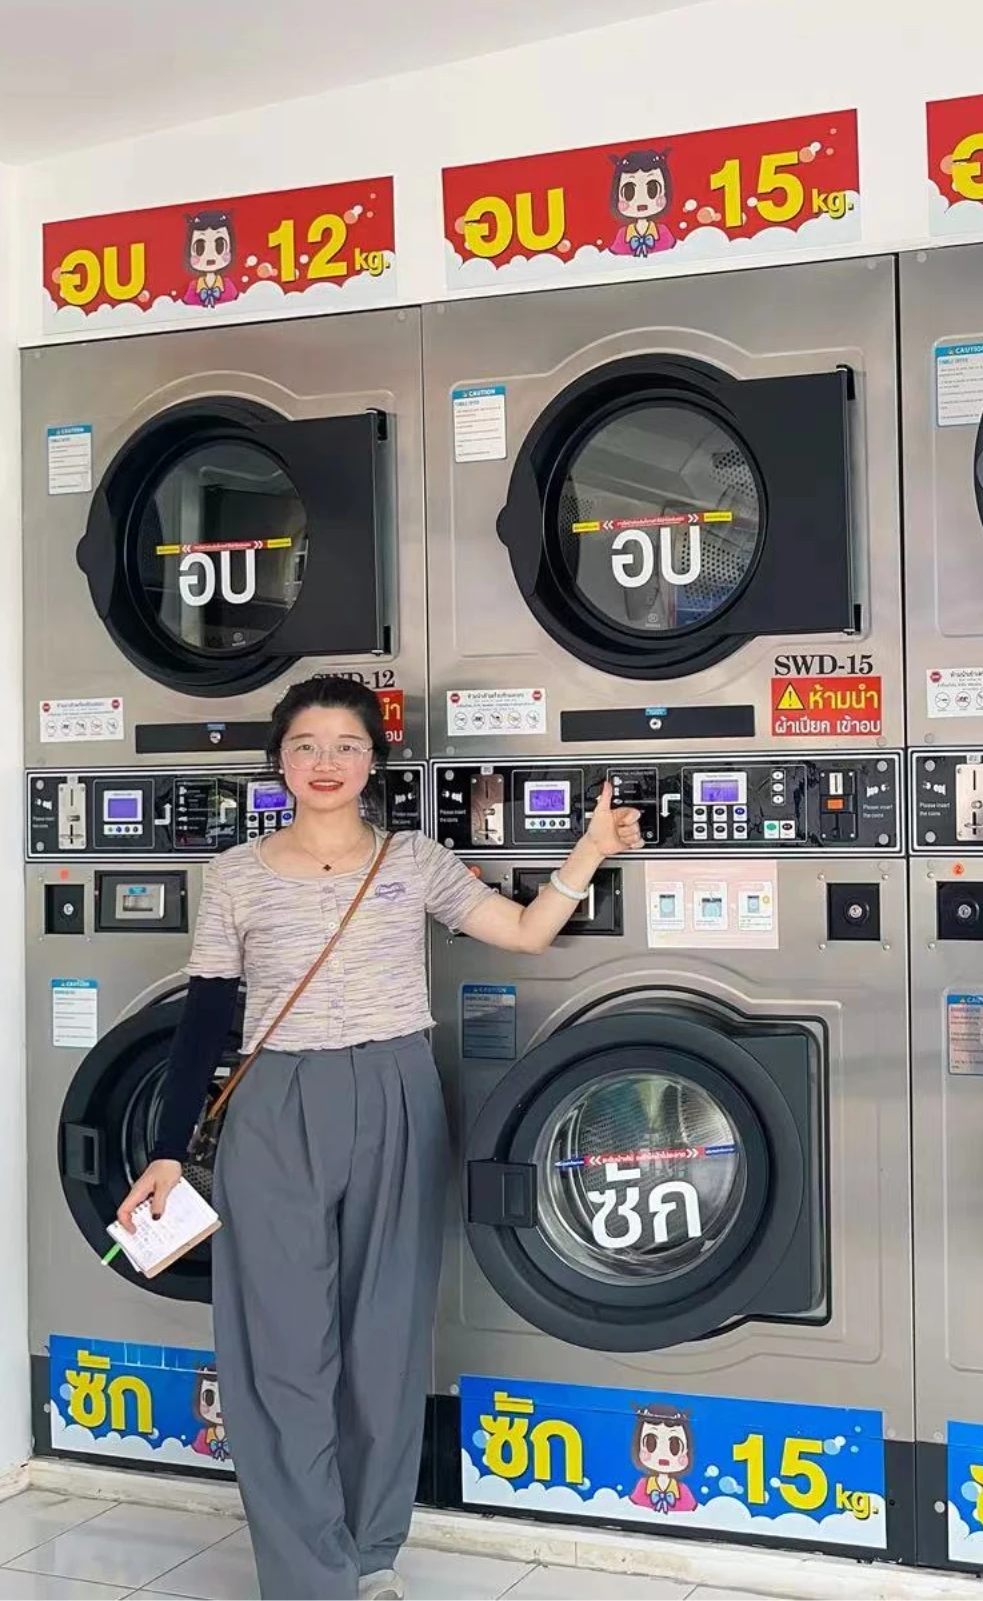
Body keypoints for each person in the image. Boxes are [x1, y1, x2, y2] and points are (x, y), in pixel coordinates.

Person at [117, 677, 643, 1600]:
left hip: (398, 1090)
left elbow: (522, 932)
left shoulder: (411, 859)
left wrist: (589, 851)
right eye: (308, 745)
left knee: (386, 1339)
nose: (326, 764)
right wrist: (166, 1149)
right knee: (279, 1344)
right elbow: (205, 1017)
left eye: (347, 746)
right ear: (279, 761)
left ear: (373, 763)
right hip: (276, 1106)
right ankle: (307, 1573)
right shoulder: (236, 873)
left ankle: (370, 1556)